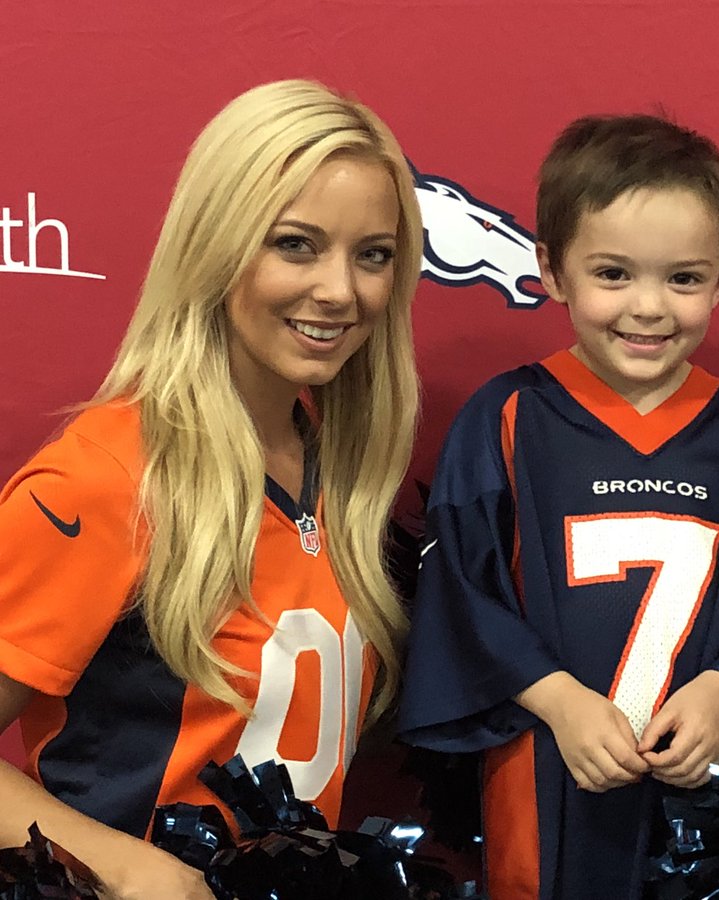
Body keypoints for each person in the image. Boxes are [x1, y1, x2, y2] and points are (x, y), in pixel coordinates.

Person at [0, 79, 423, 898]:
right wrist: (126, 869)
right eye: (295, 244)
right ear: (216, 244)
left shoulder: (343, 473)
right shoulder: (107, 476)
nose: (341, 290)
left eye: (372, 254)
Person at [398, 114, 719, 900]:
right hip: (550, 763)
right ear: (553, 271)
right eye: (614, 274)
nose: (649, 308)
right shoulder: (507, 418)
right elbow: (461, 590)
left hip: (704, 777)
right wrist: (558, 701)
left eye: (684, 278)